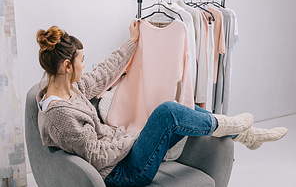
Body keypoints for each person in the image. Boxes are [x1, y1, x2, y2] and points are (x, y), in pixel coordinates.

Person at [36, 20, 288, 187]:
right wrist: (137, 136)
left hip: (122, 155)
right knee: (168, 111)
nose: (84, 64)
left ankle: (245, 134)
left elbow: (104, 72)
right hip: (121, 174)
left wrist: (132, 41)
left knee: (183, 105)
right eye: (81, 60)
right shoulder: (59, 115)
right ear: (67, 66)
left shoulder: (72, 88)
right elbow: (97, 156)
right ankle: (232, 125)